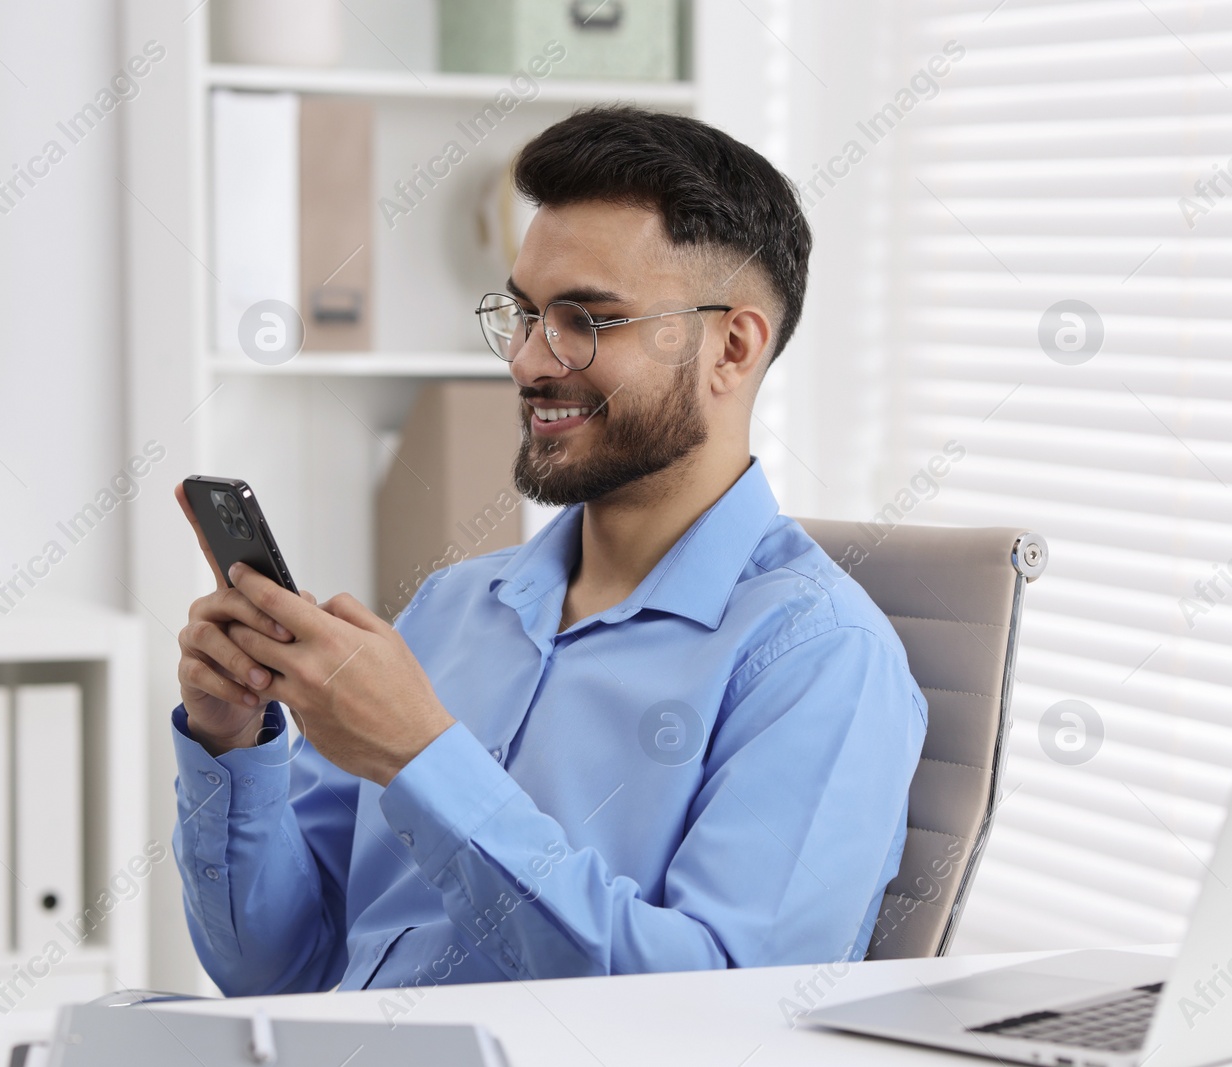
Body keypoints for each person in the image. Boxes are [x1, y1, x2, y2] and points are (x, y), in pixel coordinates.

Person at [169, 105, 927, 996]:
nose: (529, 360)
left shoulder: (823, 659)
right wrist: (232, 743)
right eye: (525, 315)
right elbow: (274, 971)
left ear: (732, 344)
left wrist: (423, 759)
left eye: (586, 320)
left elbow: (718, 1016)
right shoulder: (452, 608)